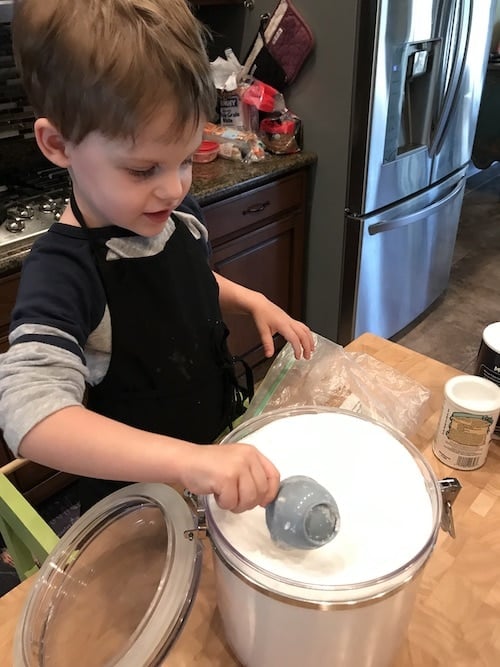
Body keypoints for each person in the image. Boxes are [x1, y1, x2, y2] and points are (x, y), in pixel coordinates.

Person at [0, 0, 314, 515]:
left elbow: (186, 277)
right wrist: (188, 463)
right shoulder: (65, 273)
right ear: (58, 144)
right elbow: (28, 414)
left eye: (186, 158)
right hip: (139, 507)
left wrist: (250, 298)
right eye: (144, 170)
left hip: (208, 457)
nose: (173, 188)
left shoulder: (172, 214)